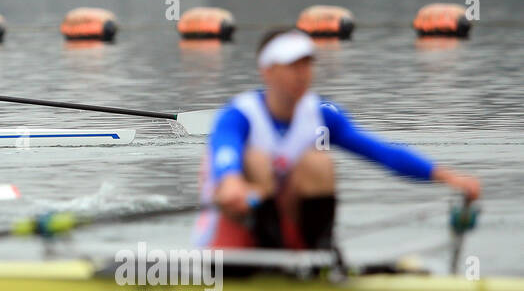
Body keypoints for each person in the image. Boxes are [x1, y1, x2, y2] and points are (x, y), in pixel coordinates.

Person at [195, 28, 480, 250]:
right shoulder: (238, 115)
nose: (302, 73)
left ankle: (318, 255)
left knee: (318, 162)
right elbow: (226, 154)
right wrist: (232, 183)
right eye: (292, 65)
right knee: (257, 160)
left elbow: (382, 153)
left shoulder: (321, 115)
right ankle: (267, 262)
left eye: (307, 64)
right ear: (267, 71)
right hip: (231, 235)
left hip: (286, 222)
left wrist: (447, 177)